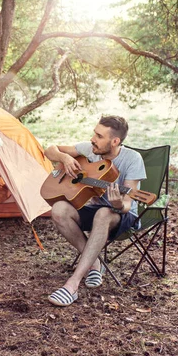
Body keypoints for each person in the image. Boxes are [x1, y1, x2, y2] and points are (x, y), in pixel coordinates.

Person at [43, 115, 146, 306]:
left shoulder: (133, 159)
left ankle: (72, 285)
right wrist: (64, 158)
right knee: (58, 209)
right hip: (92, 209)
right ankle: (95, 264)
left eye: (99, 136)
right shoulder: (89, 150)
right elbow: (50, 149)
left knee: (104, 212)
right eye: (94, 133)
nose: (93, 139)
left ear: (115, 141)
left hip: (121, 215)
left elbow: (128, 204)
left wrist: (116, 204)